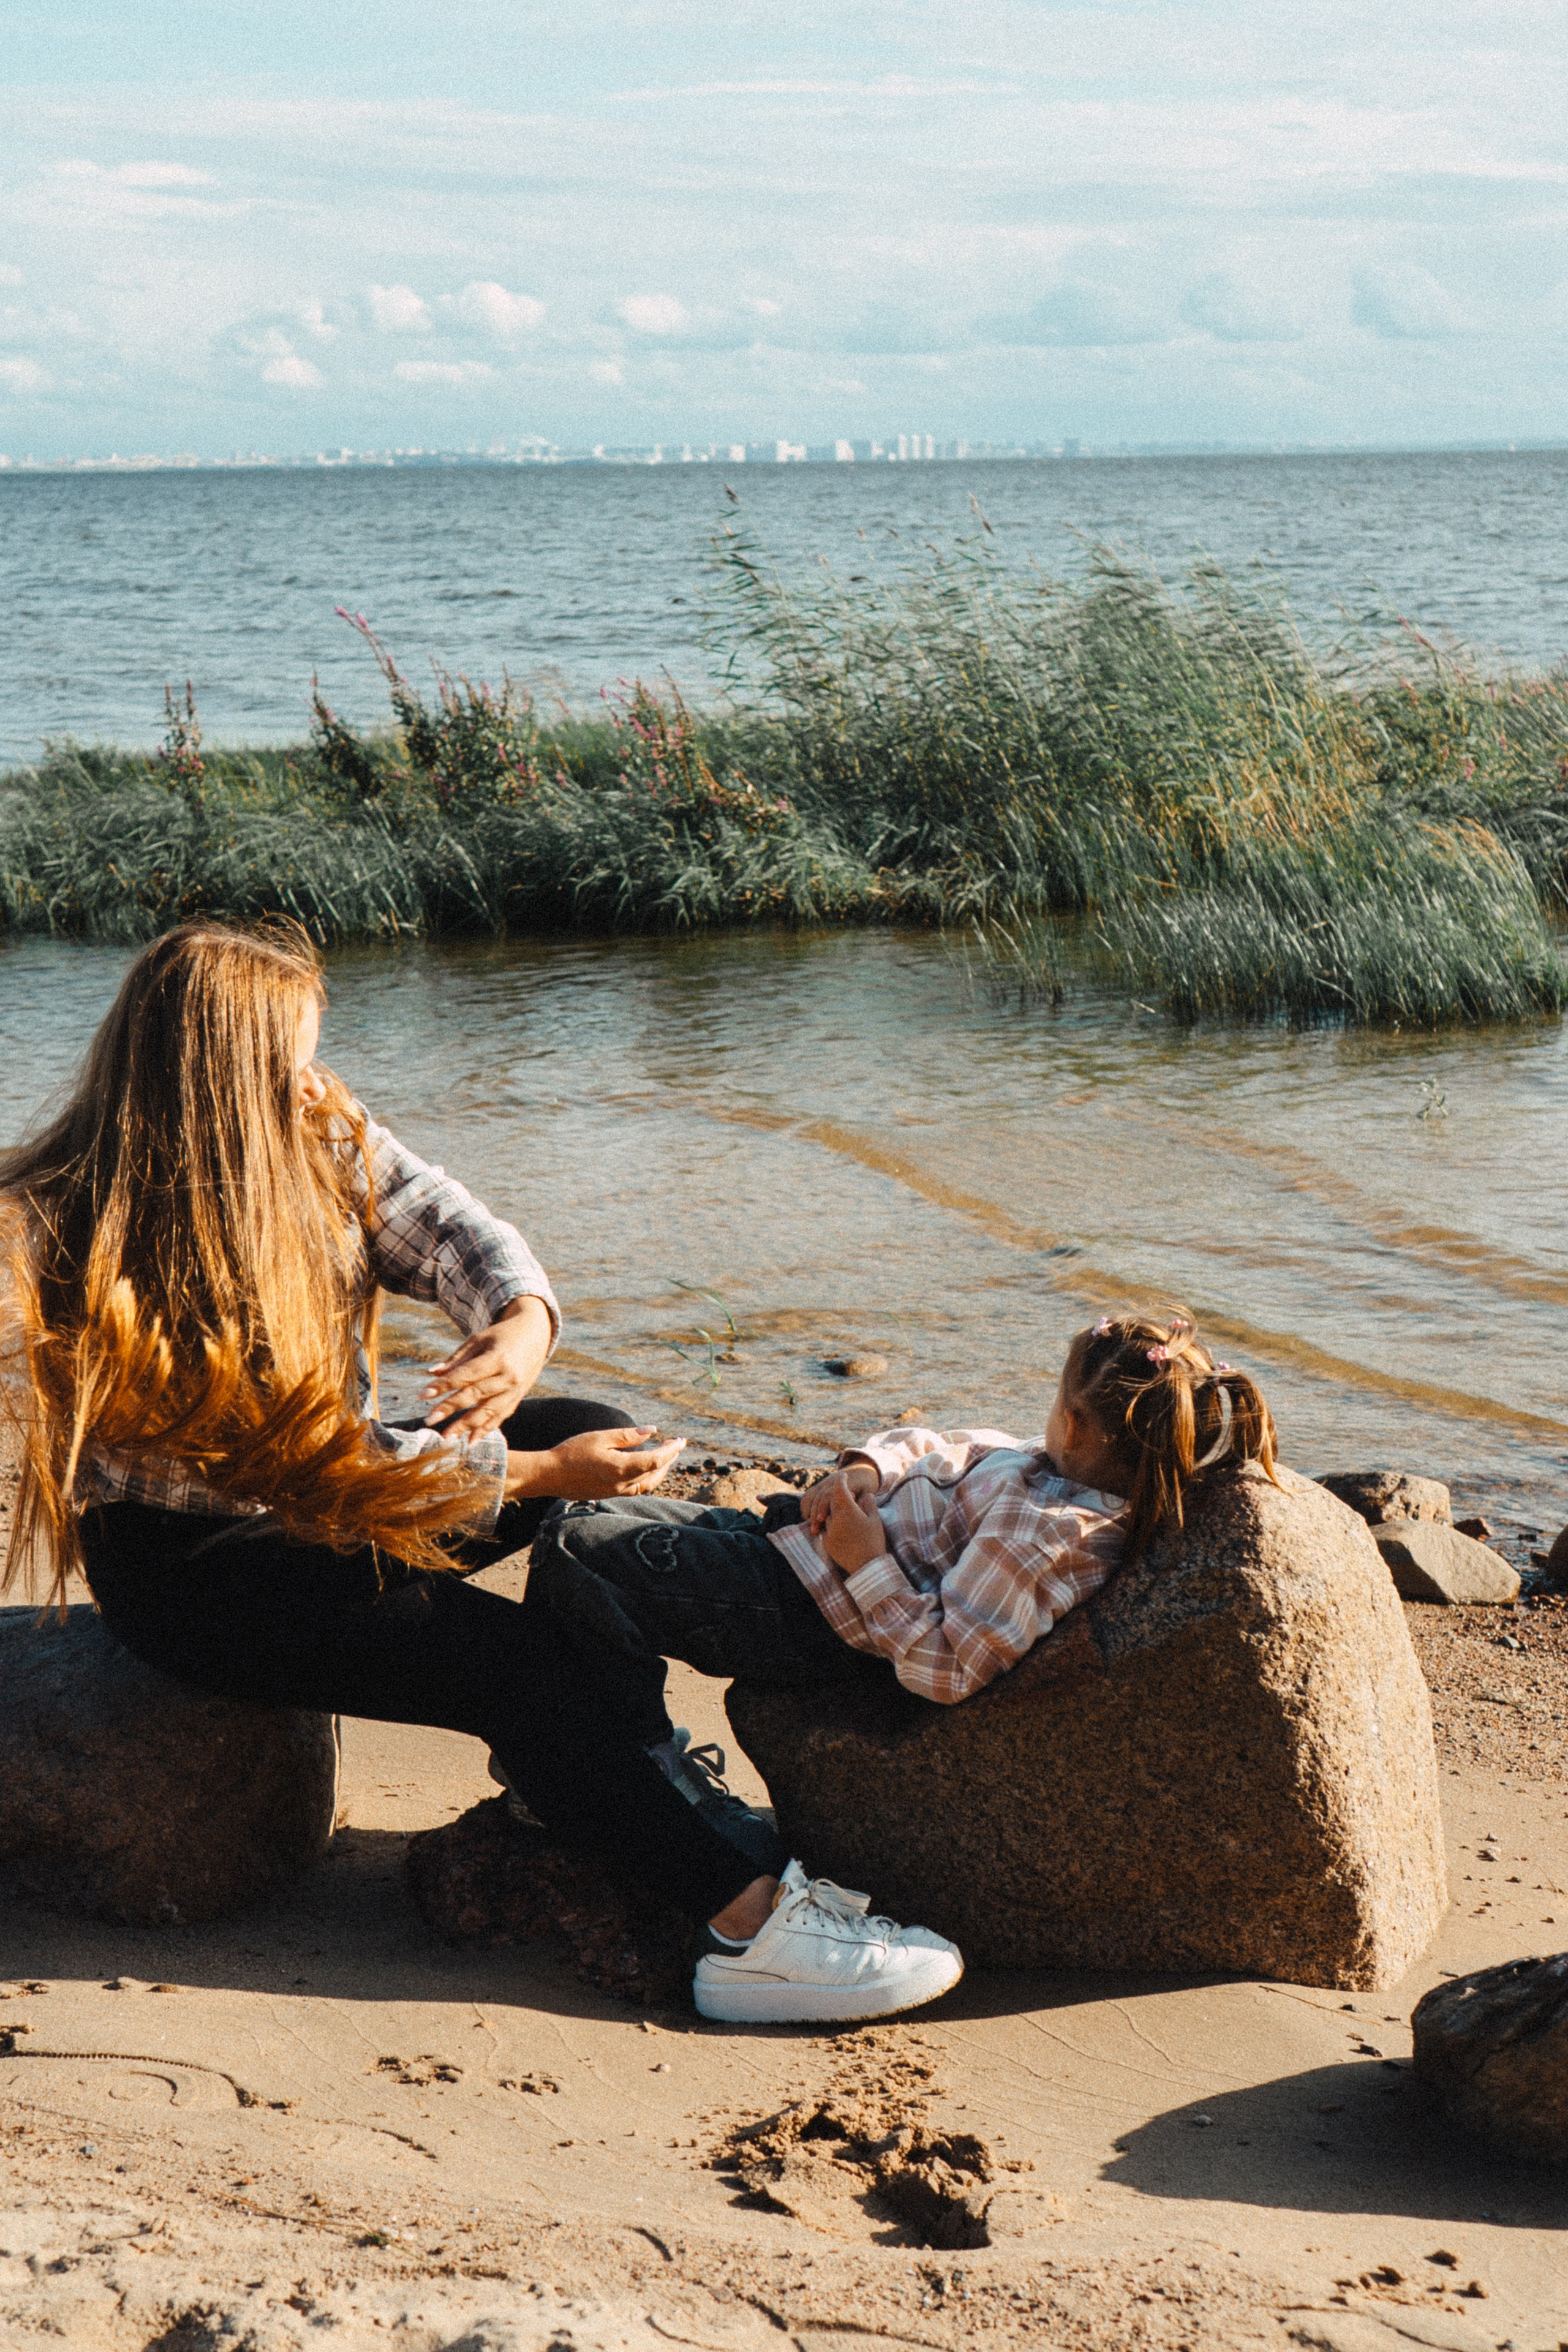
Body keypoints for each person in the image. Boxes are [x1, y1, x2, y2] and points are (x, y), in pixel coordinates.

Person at [0, 919, 959, 2027]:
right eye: (292, 1058)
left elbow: (458, 1231)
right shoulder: (101, 1226)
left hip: (328, 1512)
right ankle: (748, 1928)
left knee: (589, 1417)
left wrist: (516, 1330)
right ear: (221, 1080)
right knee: (510, 1660)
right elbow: (314, 1463)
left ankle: (593, 1782)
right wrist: (540, 1472)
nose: (316, 1078)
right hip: (201, 1571)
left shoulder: (314, 1129)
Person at [520, 1307, 1280, 2016]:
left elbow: (945, 1667)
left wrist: (869, 1563)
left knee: (578, 1554)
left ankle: (639, 1761)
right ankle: (568, 1752)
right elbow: (939, 1446)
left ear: (1076, 1422)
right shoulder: (1044, 1464)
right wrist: (861, 1473)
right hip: (795, 1541)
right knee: (576, 1518)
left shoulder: (1052, 1536)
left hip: (811, 1609)